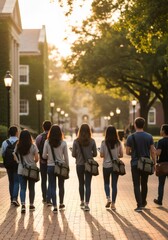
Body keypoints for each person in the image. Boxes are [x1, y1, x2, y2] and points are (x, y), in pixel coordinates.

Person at [126, 117, 156, 212]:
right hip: (146, 163)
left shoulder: (131, 137)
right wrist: (154, 162)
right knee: (144, 183)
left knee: (136, 184)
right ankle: (143, 202)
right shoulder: (149, 136)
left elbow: (127, 152)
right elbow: (152, 151)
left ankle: (139, 205)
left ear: (135, 125)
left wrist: (133, 153)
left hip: (135, 163)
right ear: (143, 125)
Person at [42, 124, 69, 213]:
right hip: (61, 167)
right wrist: (67, 167)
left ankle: (55, 206)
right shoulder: (63, 143)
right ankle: (61, 203)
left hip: (50, 166)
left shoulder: (47, 142)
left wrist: (49, 156)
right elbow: (66, 157)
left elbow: (43, 156)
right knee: (61, 186)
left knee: (52, 186)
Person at [72, 123, 97, 211]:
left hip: (79, 164)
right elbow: (95, 154)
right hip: (89, 165)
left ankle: (82, 201)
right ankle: (87, 204)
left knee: (81, 183)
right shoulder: (92, 141)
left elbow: (73, 154)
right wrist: (89, 154)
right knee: (88, 184)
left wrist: (78, 154)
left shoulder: (76, 141)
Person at [14, 129, 39, 213]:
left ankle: (23, 205)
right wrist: (32, 162)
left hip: (21, 169)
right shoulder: (33, 146)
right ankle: (31, 205)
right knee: (31, 188)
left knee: (23, 188)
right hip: (31, 170)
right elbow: (36, 158)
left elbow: (14, 155)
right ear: (29, 137)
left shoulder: (18, 146)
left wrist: (19, 162)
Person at [100, 125, 123, 210]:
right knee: (114, 185)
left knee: (106, 183)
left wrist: (103, 153)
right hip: (115, 166)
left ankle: (108, 198)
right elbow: (121, 155)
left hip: (106, 166)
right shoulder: (118, 143)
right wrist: (116, 155)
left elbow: (101, 155)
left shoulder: (103, 143)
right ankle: (113, 204)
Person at [1, 126, 20, 206]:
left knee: (11, 181)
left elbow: (2, 154)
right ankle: (15, 199)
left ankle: (11, 198)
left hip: (8, 165)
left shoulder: (5, 142)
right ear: (16, 132)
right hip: (17, 164)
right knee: (16, 181)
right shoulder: (19, 142)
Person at [36, 120, 52, 204]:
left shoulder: (39, 137)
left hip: (42, 162)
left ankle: (44, 197)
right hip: (51, 162)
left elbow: (37, 149)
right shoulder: (53, 137)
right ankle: (49, 196)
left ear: (43, 127)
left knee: (43, 180)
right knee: (51, 180)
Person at [154, 124, 168, 206]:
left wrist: (155, 150)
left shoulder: (161, 141)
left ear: (163, 131)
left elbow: (158, 153)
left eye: (161, 129)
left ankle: (159, 200)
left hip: (163, 165)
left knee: (161, 184)